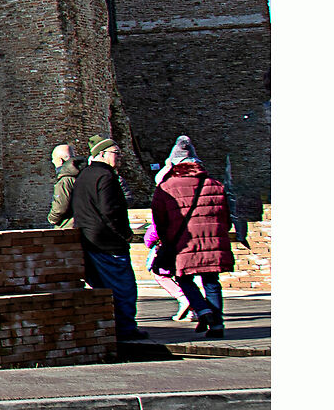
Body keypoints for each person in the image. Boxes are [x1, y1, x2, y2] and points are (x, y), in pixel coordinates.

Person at [151, 136, 232, 340]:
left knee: (184, 278)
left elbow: (159, 221)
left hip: (182, 243)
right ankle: (217, 324)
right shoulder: (215, 184)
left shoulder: (166, 187)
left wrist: (165, 241)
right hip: (213, 241)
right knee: (211, 281)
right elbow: (227, 218)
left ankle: (203, 310)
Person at [69, 140, 147, 341]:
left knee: (102, 288)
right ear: (101, 154)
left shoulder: (83, 175)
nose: (119, 157)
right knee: (123, 287)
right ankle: (125, 328)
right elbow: (110, 211)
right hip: (108, 242)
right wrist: (125, 234)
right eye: (116, 152)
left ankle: (111, 326)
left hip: (88, 239)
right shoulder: (105, 176)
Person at [45, 145, 80, 228]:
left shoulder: (65, 180)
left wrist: (52, 219)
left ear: (60, 161)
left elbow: (60, 208)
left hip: (68, 227)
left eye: (53, 160)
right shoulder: (84, 174)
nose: (53, 162)